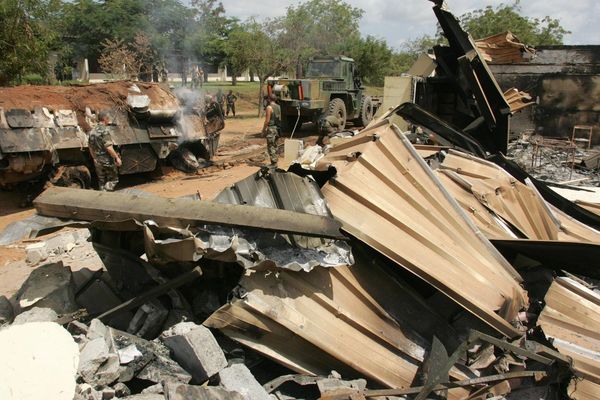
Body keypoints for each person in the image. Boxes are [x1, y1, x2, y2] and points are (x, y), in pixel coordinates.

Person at [89, 110, 121, 191]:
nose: (108, 119)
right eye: (108, 118)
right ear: (104, 119)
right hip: (106, 160)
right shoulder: (105, 131)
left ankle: (102, 197)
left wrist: (94, 158)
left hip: (97, 160)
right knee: (113, 180)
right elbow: (109, 147)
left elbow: (90, 147)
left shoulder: (92, 131)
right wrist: (117, 158)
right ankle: (107, 196)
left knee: (101, 181)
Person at [262, 94, 281, 166]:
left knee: (270, 146)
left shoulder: (269, 108)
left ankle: (274, 163)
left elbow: (267, 121)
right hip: (277, 128)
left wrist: (263, 130)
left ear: (269, 99)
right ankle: (276, 161)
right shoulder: (278, 107)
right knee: (275, 145)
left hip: (271, 129)